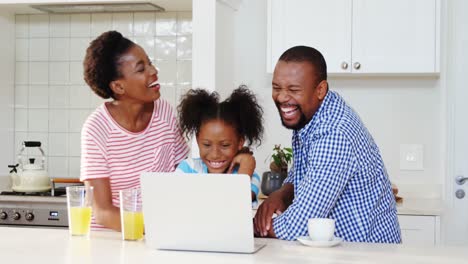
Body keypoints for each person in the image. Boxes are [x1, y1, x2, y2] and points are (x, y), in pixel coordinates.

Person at [254, 46, 401, 243]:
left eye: (293, 90)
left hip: (367, 253)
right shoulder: (312, 115)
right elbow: (302, 172)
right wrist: (282, 193)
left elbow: (295, 227)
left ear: (320, 89)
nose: (281, 97)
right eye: (276, 87)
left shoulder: (334, 133)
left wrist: (251, 228)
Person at [80, 31, 189, 231]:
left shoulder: (165, 113)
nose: (153, 70)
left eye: (149, 62)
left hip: (156, 236)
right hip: (110, 241)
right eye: (141, 69)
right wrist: (156, 226)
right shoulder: (97, 129)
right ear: (118, 86)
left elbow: (184, 176)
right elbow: (102, 212)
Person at [175, 86, 264, 202]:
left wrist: (247, 165)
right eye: (207, 144)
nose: (215, 154)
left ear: (240, 142)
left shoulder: (249, 175)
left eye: (225, 145)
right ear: (197, 140)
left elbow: (237, 202)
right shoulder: (187, 168)